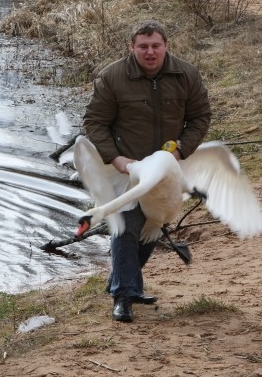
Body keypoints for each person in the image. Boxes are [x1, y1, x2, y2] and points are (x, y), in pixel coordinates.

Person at [82, 19, 211, 322]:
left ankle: (122, 281)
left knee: (151, 225)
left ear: (166, 46)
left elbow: (200, 116)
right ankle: (125, 296)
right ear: (132, 48)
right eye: (143, 47)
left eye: (156, 46)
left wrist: (180, 151)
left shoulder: (186, 75)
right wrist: (116, 159)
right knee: (126, 227)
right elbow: (94, 122)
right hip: (126, 169)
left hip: (166, 169)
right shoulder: (113, 77)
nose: (150, 52)